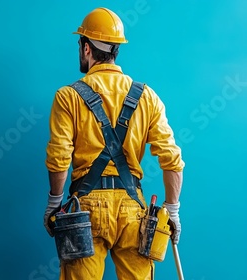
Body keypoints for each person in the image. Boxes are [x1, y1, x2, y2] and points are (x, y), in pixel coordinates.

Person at [43, 7, 185, 280]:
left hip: (84, 211)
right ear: (115, 48)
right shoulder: (147, 97)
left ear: (86, 48)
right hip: (134, 211)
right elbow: (171, 158)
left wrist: (54, 203)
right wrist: (173, 209)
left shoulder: (67, 97)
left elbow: (59, 156)